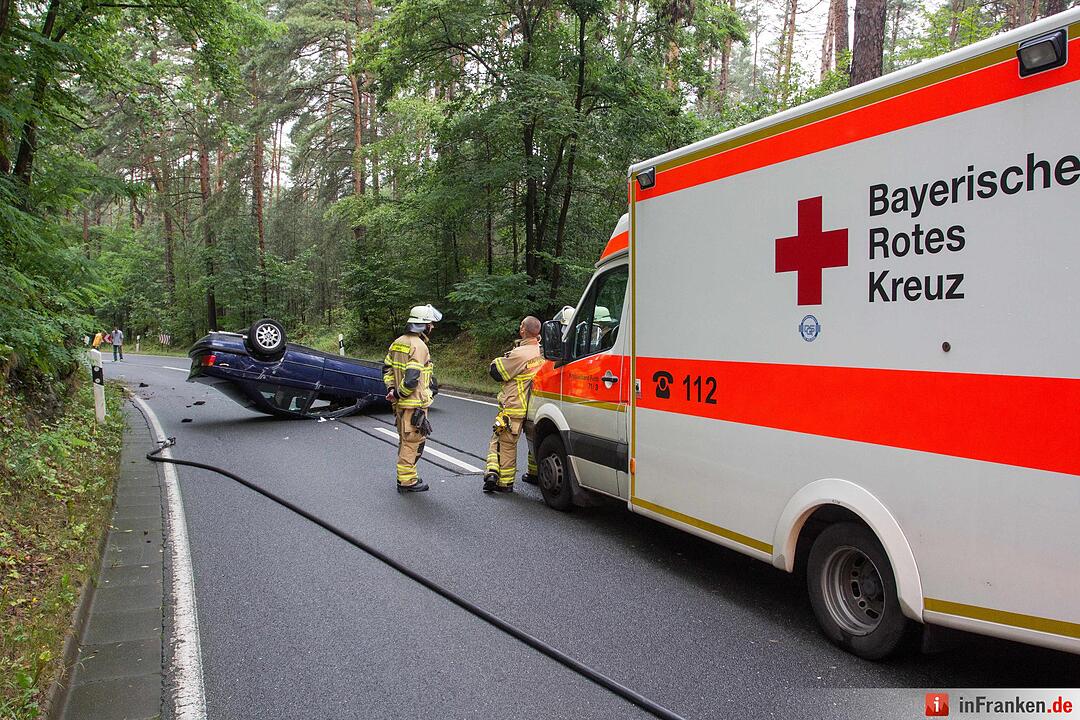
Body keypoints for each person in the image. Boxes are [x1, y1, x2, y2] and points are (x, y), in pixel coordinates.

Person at [383, 304, 442, 493]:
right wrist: (400, 392)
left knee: (405, 440)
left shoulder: (398, 342)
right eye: (431, 323)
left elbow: (387, 369)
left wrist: (392, 390)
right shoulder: (419, 346)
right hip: (413, 404)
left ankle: (407, 476)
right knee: (413, 442)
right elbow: (411, 379)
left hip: (401, 404)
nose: (432, 327)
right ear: (423, 325)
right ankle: (407, 481)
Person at [483, 316, 544, 494]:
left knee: (505, 443)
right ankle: (535, 474)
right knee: (534, 441)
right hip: (535, 408)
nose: (519, 327)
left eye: (521, 325)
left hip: (515, 406)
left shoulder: (519, 354)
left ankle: (504, 482)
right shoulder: (541, 351)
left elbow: (496, 372)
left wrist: (498, 360)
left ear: (523, 330)